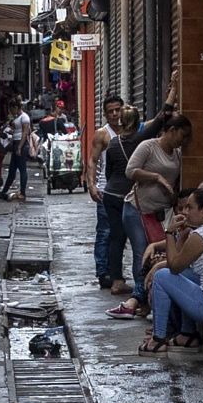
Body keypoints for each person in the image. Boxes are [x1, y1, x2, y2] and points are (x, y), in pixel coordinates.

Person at [107, 113, 192, 320]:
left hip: (160, 214)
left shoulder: (177, 154)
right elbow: (130, 171)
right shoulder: (149, 146)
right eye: (182, 135)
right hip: (137, 210)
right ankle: (140, 301)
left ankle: (141, 300)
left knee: (156, 256)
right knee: (141, 254)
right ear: (171, 131)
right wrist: (156, 177)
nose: (183, 140)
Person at [139, 187, 203, 355]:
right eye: (184, 208)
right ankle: (187, 334)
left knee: (161, 277)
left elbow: (174, 265)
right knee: (184, 275)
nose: (185, 212)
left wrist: (169, 232)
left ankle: (158, 339)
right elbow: (180, 267)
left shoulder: (200, 237)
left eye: (190, 207)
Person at [83, 95, 125, 288]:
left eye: (118, 109)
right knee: (105, 232)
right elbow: (92, 160)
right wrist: (91, 185)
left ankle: (116, 270)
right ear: (105, 114)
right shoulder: (103, 134)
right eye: (111, 111)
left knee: (122, 234)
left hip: (127, 191)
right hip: (105, 190)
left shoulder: (130, 130)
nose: (115, 114)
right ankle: (103, 272)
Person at [0, 96, 32, 200]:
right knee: (12, 169)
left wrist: (20, 147)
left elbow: (25, 133)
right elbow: (17, 131)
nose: (11, 111)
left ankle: (23, 192)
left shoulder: (24, 117)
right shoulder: (17, 117)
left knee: (22, 169)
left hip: (21, 144)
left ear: (16, 107)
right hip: (16, 144)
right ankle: (4, 191)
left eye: (11, 109)